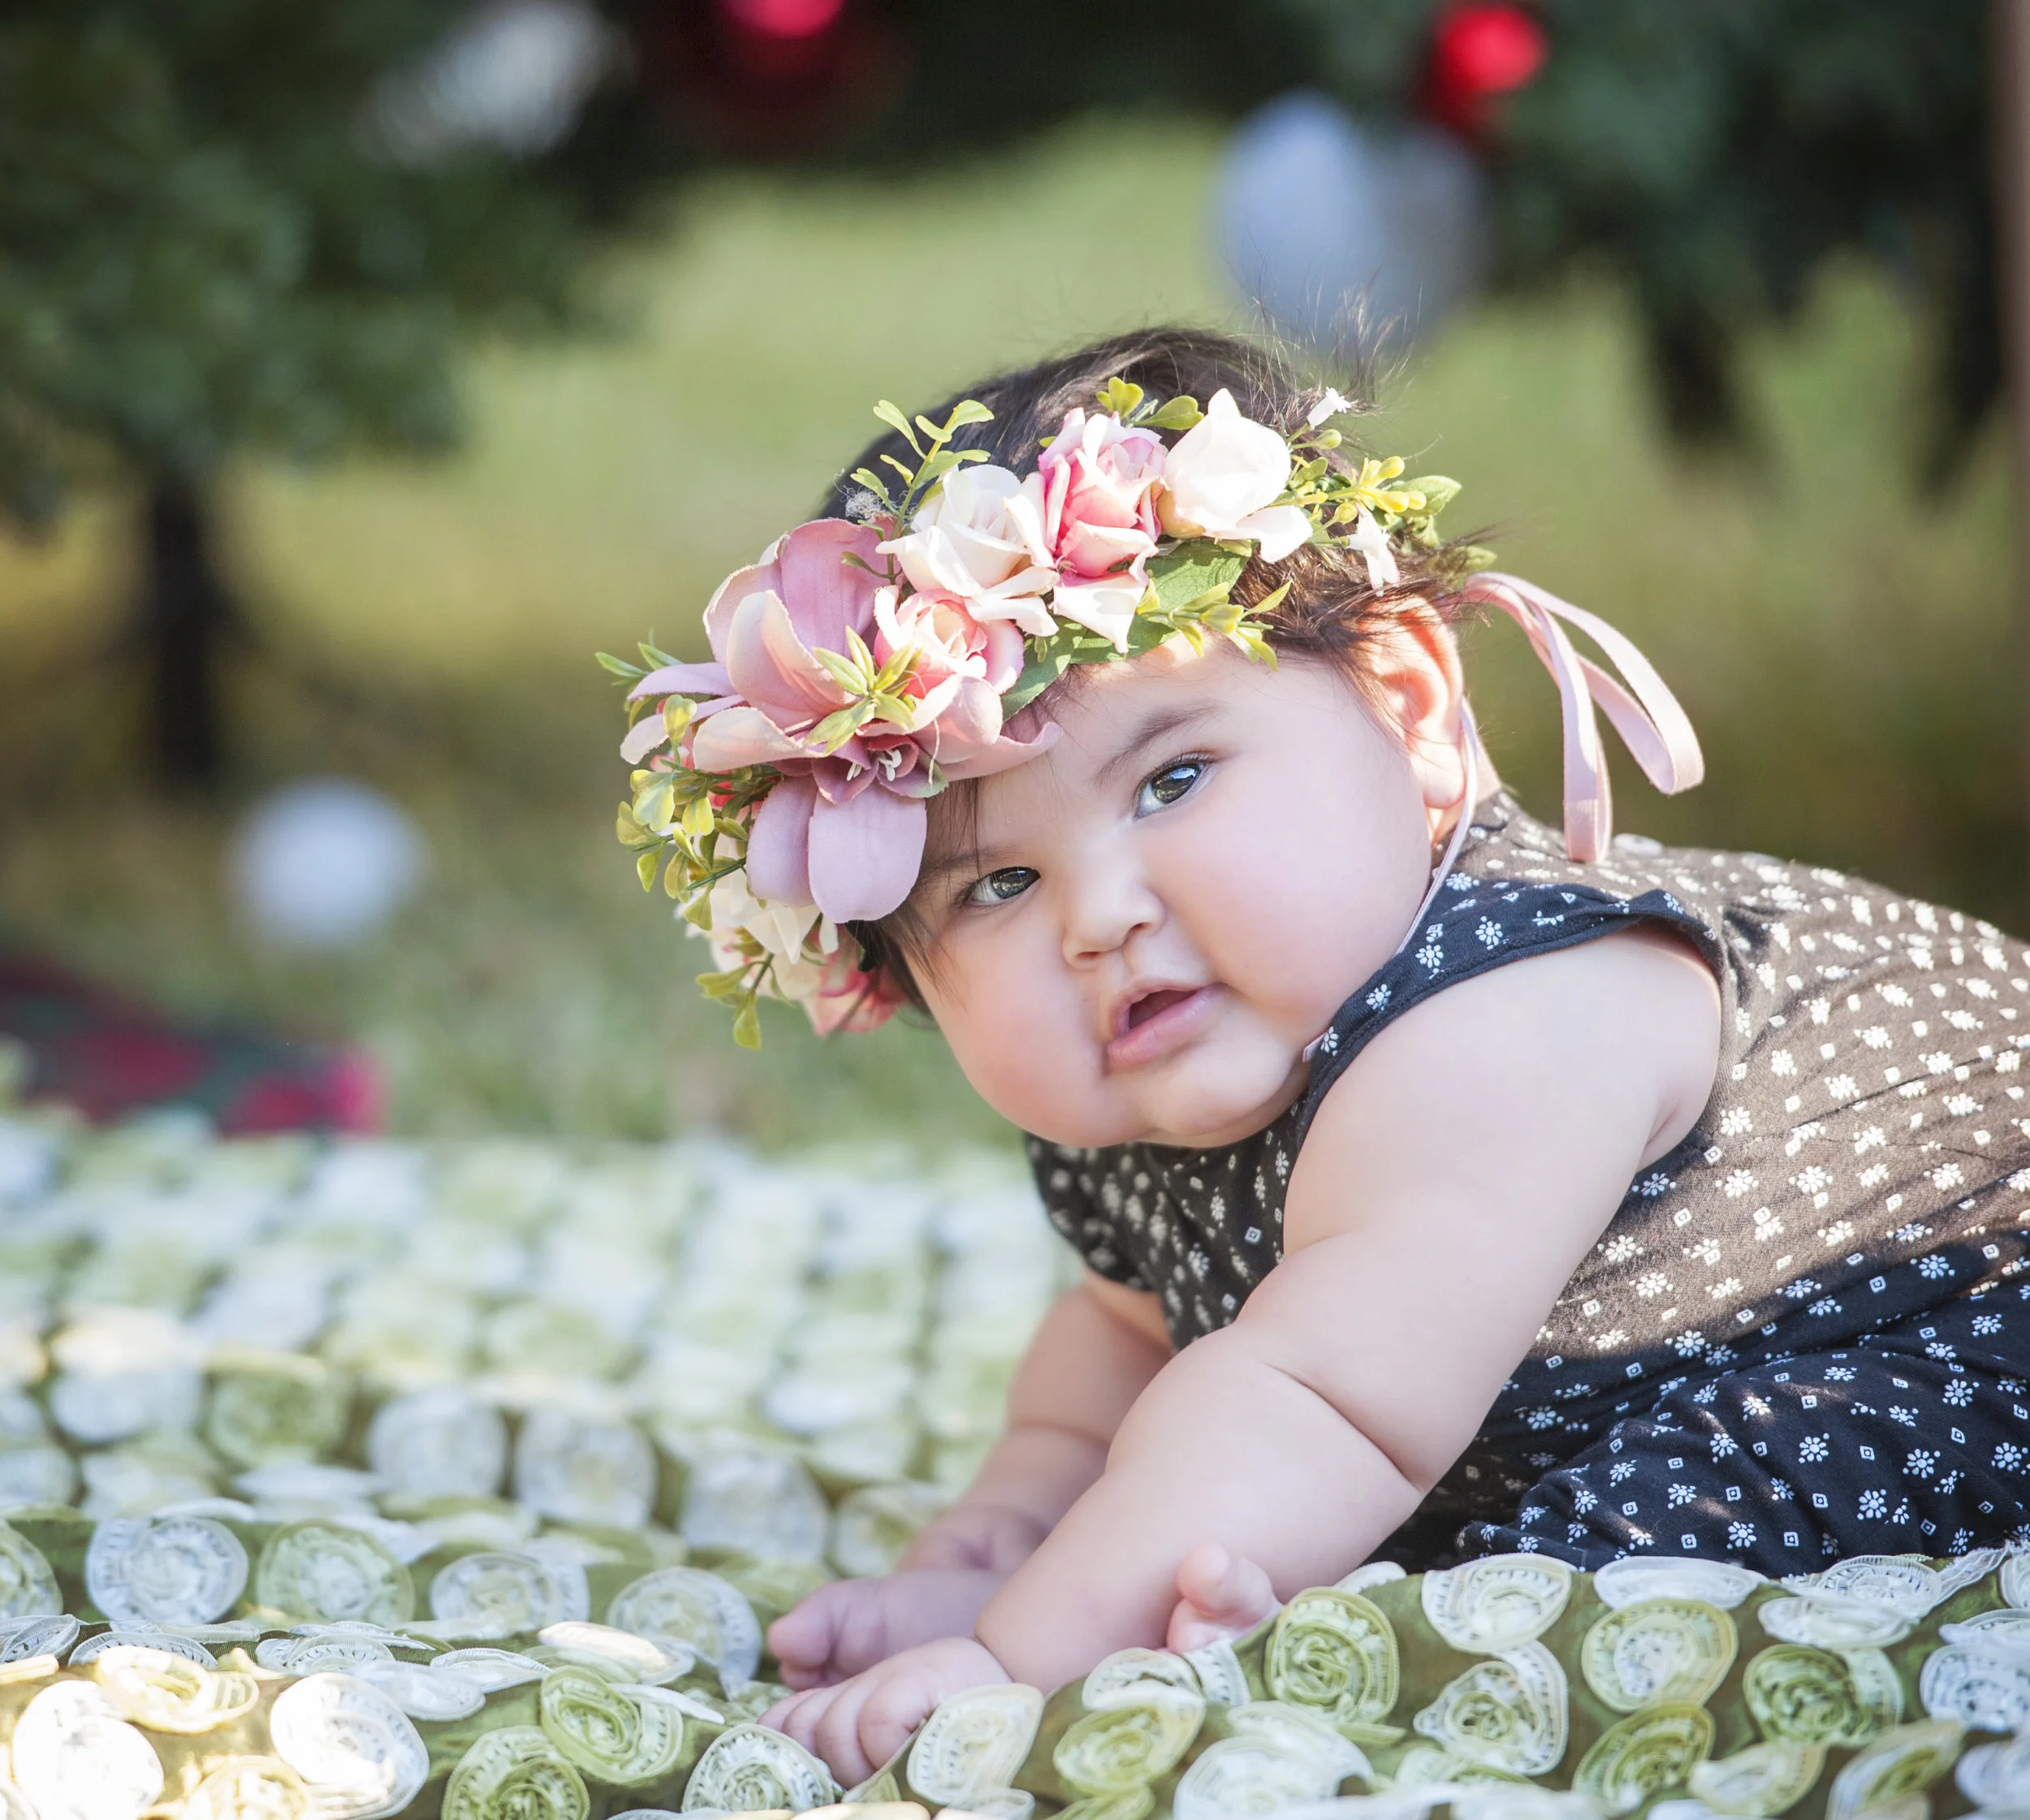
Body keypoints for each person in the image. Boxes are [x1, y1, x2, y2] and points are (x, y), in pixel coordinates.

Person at [609, 328, 2030, 1784]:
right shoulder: (1153, 1089)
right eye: (998, 886)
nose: (1099, 919)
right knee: (1330, 1509)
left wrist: (1015, 1662)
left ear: (1407, 708)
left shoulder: (1500, 1018)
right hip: (1580, 1387)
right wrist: (999, 1552)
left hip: (1951, 1318)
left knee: (1590, 1577)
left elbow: (1315, 1397)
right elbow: (1122, 1346)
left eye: (1172, 780)